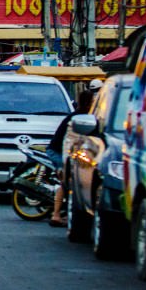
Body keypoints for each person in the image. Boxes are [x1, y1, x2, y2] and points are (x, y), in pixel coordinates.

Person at [48, 89, 95, 227]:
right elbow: (68, 143)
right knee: (65, 182)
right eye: (93, 101)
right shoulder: (78, 118)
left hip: (66, 152)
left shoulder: (85, 117)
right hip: (58, 152)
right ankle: (56, 215)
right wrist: (68, 163)